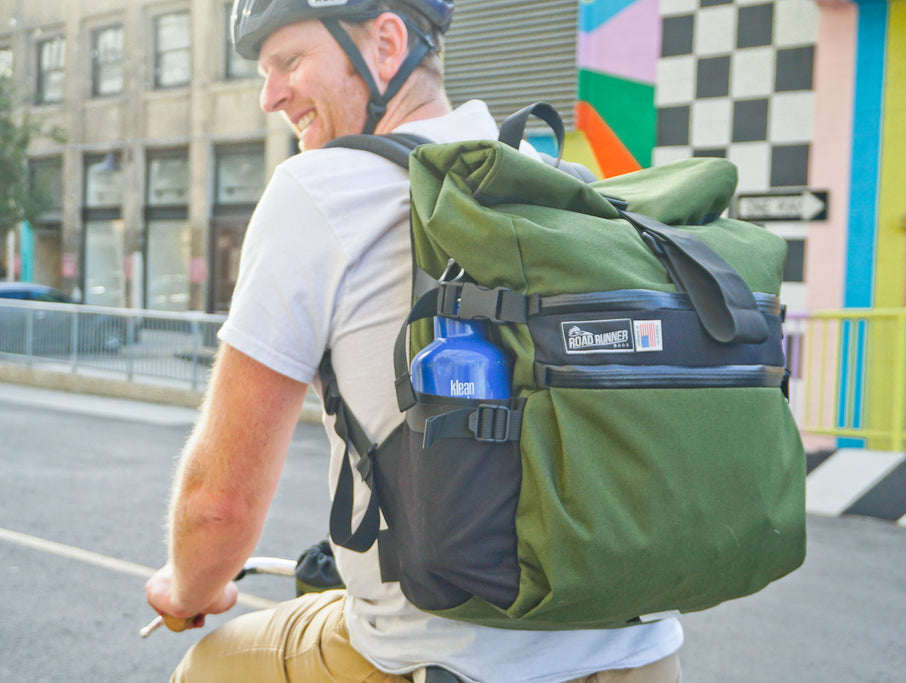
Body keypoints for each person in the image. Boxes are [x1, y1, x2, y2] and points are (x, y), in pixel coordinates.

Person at [145, 1, 684, 681]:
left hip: (436, 658)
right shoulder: (559, 180)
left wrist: (187, 587)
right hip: (642, 652)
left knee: (208, 665)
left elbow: (218, 506)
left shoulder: (316, 191)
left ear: (387, 43)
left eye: (289, 61)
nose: (269, 94)